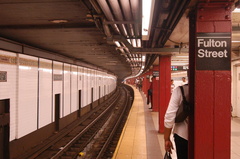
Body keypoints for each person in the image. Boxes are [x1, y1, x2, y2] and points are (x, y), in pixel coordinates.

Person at [164, 84, 189, 159]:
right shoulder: (212, 88)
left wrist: (167, 138)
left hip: (182, 136)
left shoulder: (180, 90)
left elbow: (169, 116)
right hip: (207, 138)